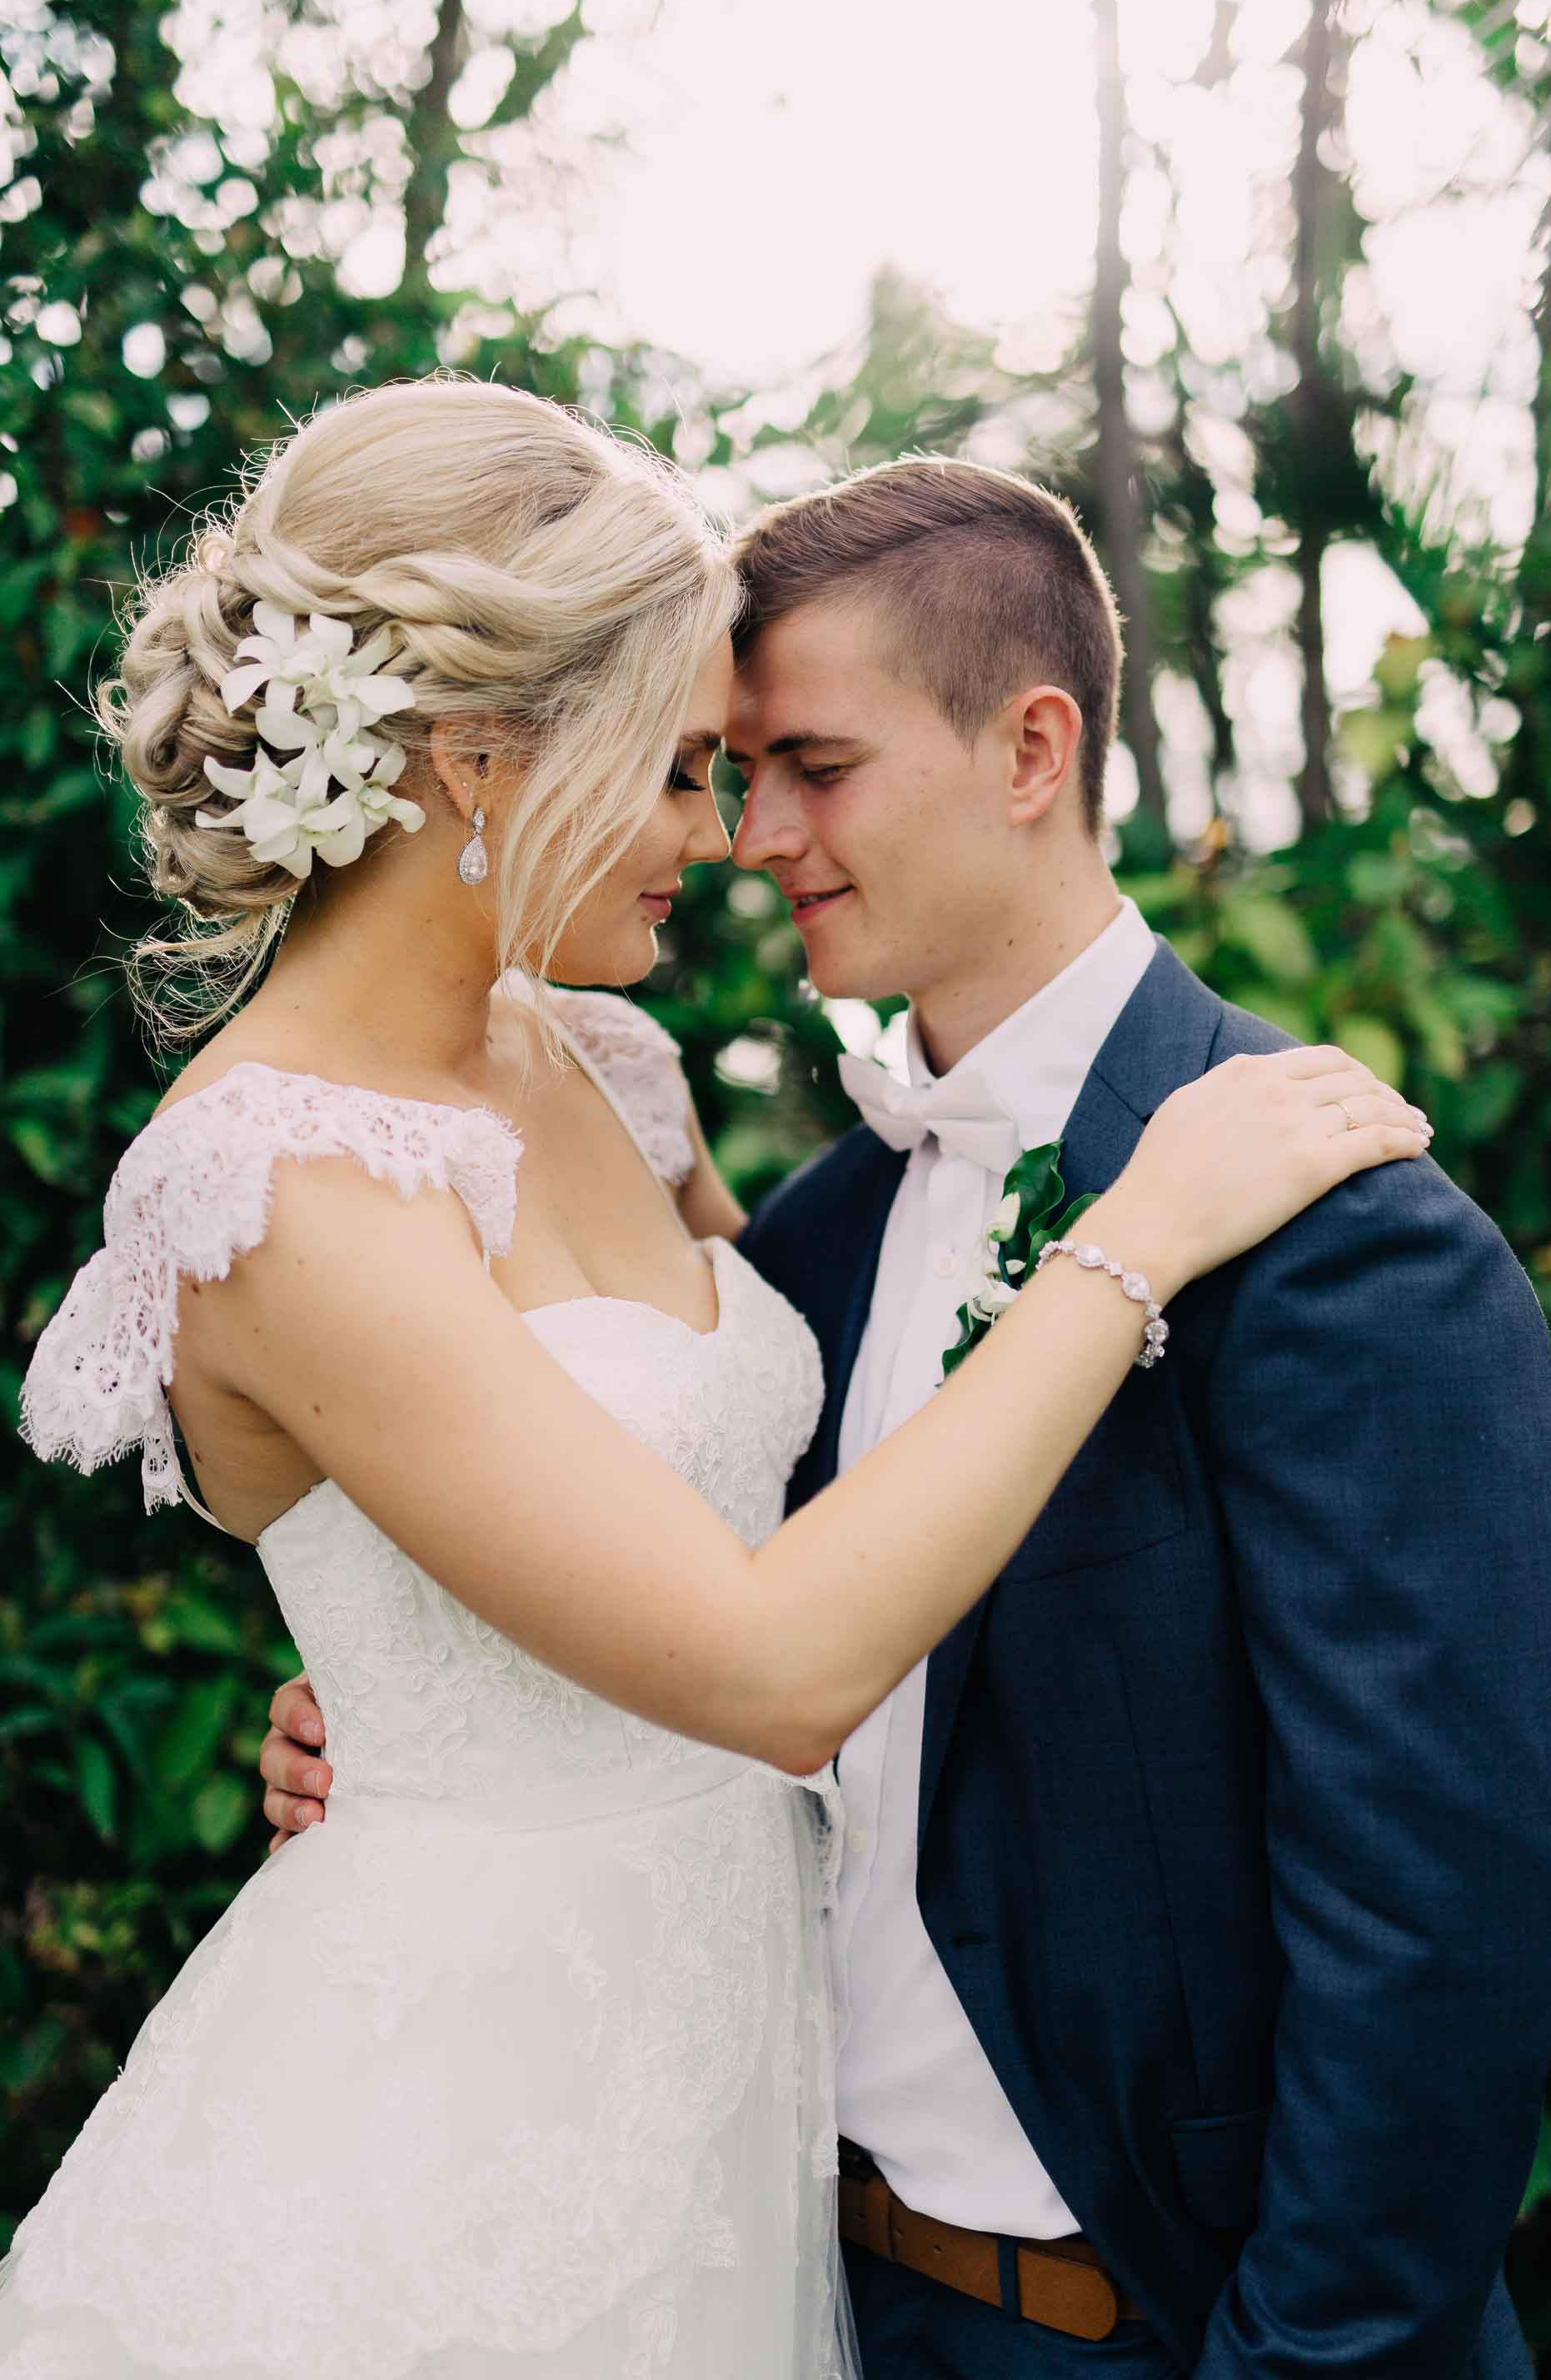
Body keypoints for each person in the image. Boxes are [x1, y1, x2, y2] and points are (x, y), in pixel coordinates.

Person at [1, 381, 1423, 2380]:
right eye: (680, 768)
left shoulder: (602, 1063)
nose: (725, 839)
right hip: (464, 2124)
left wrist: (421, 1666)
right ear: (487, 758)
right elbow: (764, 1662)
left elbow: (731, 1469)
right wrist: (1134, 1236)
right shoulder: (273, 1187)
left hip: (739, 2082)